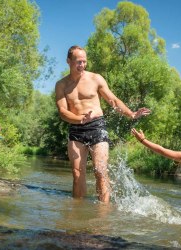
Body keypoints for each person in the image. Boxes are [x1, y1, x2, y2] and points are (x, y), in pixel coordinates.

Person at [55, 45, 151, 203]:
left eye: (84, 62)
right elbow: (63, 112)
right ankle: (77, 211)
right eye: (78, 62)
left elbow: (113, 100)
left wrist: (131, 113)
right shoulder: (61, 85)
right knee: (77, 173)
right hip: (76, 128)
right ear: (68, 61)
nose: (82, 65)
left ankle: (103, 212)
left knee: (100, 170)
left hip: (97, 126)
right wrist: (79, 119)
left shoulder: (96, 78)